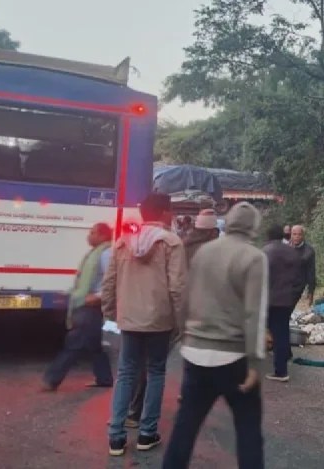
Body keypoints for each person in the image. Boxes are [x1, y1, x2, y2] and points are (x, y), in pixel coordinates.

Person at [162, 202, 268, 469]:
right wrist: (256, 362)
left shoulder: (204, 253)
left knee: (185, 426)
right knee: (248, 430)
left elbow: (185, 297)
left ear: (228, 223)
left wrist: (184, 333)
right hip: (234, 357)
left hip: (195, 352)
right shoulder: (254, 257)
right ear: (254, 227)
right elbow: (253, 314)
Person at [101, 193, 186, 456]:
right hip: (159, 321)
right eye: (170, 211)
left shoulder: (123, 242)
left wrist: (111, 312)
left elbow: (109, 283)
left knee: (126, 373)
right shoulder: (172, 242)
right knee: (156, 371)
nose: (172, 215)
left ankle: (116, 437)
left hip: (129, 319)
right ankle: (147, 434)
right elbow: (178, 288)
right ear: (163, 213)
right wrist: (181, 322)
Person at [126, 209, 217, 427]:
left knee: (146, 361)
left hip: (165, 308)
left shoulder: (180, 243)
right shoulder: (212, 251)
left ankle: (133, 411)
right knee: (186, 358)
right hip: (195, 311)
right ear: (213, 231)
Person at [42, 223, 114, 391]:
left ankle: (52, 379)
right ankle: (104, 378)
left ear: (103, 236)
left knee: (74, 342)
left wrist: (97, 296)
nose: (89, 236)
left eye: (93, 233)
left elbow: (112, 280)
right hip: (86, 303)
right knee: (94, 344)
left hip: (91, 305)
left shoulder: (105, 254)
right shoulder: (94, 253)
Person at [262, 224, 302, 382]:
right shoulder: (292, 252)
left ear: (268, 236)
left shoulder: (265, 252)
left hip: (269, 299)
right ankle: (283, 361)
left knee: (267, 330)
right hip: (287, 299)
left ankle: (280, 371)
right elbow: (298, 278)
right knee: (282, 331)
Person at [290, 225, 316, 304]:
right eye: (294, 234)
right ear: (291, 235)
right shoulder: (285, 247)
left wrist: (311, 292)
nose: (297, 237)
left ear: (303, 236)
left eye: (299, 234)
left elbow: (311, 272)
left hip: (298, 286)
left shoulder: (308, 251)